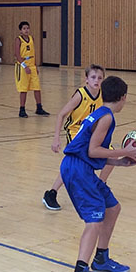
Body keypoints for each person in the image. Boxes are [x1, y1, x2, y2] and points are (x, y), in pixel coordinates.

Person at [60, 76, 136, 272]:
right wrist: (125, 151)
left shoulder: (100, 113)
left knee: (112, 208)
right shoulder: (106, 117)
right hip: (77, 169)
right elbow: (93, 151)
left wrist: (118, 162)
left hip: (81, 167)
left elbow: (91, 151)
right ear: (123, 97)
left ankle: (101, 258)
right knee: (94, 220)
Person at [42, 65, 113, 211]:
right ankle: (51, 193)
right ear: (86, 79)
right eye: (93, 77)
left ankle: (100, 185)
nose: (96, 80)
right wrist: (56, 138)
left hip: (90, 132)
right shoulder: (81, 94)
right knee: (75, 163)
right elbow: (61, 114)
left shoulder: (103, 95)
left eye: (100, 78)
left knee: (111, 153)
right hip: (76, 131)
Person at [15, 21, 49, 118]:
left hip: (32, 66)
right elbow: (17, 55)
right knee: (23, 89)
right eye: (24, 28)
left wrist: (35, 66)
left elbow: (33, 53)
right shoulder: (18, 40)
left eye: (27, 28)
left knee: (37, 88)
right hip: (22, 66)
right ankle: (22, 109)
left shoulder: (31, 38)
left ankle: (39, 108)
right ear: (20, 30)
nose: (26, 30)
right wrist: (25, 66)